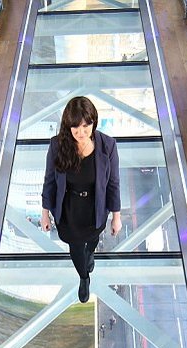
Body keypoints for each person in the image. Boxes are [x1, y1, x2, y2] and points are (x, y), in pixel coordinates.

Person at [41, 96, 122, 303]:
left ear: (94, 122)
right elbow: (49, 181)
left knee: (93, 238)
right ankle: (84, 277)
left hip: (95, 207)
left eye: (86, 126)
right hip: (69, 210)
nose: (81, 132)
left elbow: (113, 183)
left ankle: (91, 253)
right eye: (75, 127)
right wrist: (45, 213)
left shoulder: (108, 146)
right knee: (76, 247)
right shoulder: (57, 145)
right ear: (67, 126)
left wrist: (116, 216)